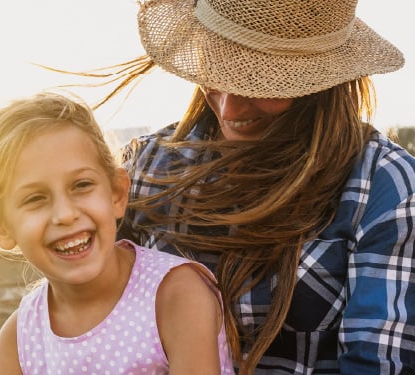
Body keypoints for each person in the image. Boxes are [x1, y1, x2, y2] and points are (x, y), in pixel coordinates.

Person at [103, 0, 411, 373]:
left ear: (321, 82)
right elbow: (87, 316)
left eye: (258, 82)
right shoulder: (147, 166)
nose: (229, 109)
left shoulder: (383, 188)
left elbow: (376, 365)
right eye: (217, 69)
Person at [0, 93, 235, 374]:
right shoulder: (18, 342)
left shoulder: (176, 295)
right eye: (35, 198)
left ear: (117, 194)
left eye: (81, 185)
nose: (65, 214)